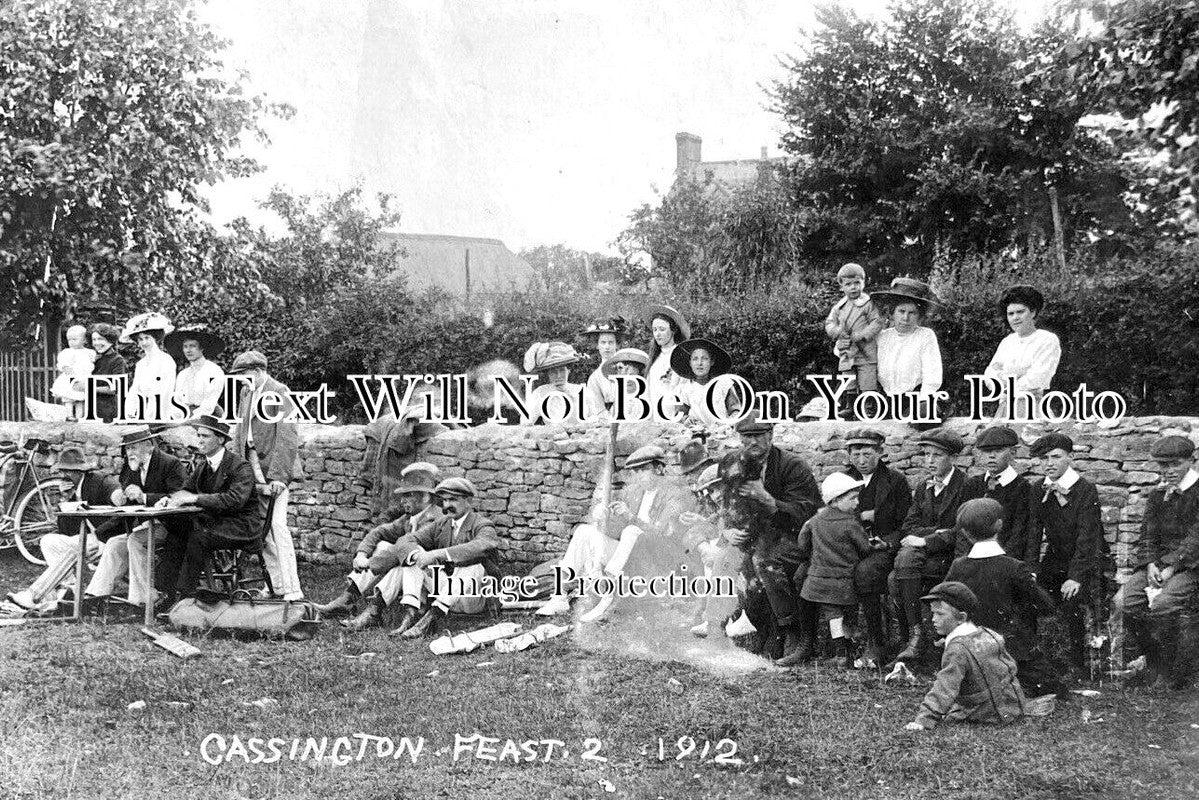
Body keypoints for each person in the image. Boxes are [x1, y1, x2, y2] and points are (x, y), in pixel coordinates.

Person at [534, 445, 691, 619]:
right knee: (584, 531)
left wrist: (630, 516)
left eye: (643, 470)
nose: (638, 476)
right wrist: (603, 519)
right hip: (627, 557)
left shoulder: (675, 495)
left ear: (659, 468)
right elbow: (617, 531)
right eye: (635, 471)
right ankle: (560, 597)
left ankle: (610, 593)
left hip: (656, 558)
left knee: (631, 530)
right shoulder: (633, 492)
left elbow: (661, 534)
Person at [730, 413, 822, 667]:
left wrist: (768, 500)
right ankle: (766, 632)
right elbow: (728, 505)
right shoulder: (738, 467)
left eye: (758, 435)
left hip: (798, 537)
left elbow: (805, 513)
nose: (752, 442)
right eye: (746, 436)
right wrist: (728, 530)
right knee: (734, 560)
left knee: (765, 560)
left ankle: (792, 633)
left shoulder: (792, 466)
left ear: (770, 435)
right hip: (760, 536)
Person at [944, 498, 1059, 698]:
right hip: (1010, 648)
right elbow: (1046, 606)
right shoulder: (1014, 567)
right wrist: (1030, 584)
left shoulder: (958, 566)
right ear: (999, 525)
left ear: (965, 533)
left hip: (969, 650)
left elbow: (945, 601)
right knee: (1049, 684)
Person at [315, 463, 444, 630]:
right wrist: (361, 554)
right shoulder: (411, 517)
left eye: (408, 495)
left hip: (436, 583)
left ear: (425, 497)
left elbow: (402, 550)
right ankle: (349, 599)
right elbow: (379, 532)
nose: (402, 501)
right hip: (414, 577)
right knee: (383, 545)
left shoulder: (435, 519)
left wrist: (369, 563)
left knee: (406, 559)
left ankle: (374, 611)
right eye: (402, 496)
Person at [1118, 435, 1199, 690]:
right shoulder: (1158, 495)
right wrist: (1151, 563)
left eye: (1176, 464)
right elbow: (1148, 534)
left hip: (1191, 565)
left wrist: (1172, 567)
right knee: (1124, 601)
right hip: (1159, 565)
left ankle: (1169, 669)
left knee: (1163, 604)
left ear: (1192, 460)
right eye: (1164, 465)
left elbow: (1196, 539)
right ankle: (1151, 659)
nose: (1169, 471)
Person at [890, 427, 976, 663]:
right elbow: (909, 526)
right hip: (925, 555)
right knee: (895, 575)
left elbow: (963, 530)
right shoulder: (923, 486)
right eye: (926, 455)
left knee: (901, 567)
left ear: (953, 458)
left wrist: (928, 539)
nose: (929, 461)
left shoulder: (966, 486)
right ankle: (913, 638)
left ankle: (915, 639)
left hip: (951, 555)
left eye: (937, 455)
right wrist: (934, 532)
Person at [2, 448, 121, 615]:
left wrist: (101, 533)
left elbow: (120, 504)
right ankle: (69, 588)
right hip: (88, 538)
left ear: (80, 471)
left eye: (69, 471)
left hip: (108, 538)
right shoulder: (73, 490)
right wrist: (66, 498)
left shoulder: (99, 481)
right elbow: (66, 531)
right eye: (63, 471)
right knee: (48, 541)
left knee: (75, 549)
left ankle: (34, 595)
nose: (64, 475)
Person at [1026, 433, 1107, 677]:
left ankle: (1077, 664)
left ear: (1070, 457)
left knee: (1073, 601)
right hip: (1055, 559)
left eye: (1056, 457)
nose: (1049, 463)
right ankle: (1031, 660)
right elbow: (1034, 532)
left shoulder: (1085, 490)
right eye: (1044, 459)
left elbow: (1088, 538)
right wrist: (1031, 569)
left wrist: (1075, 577)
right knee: (1027, 595)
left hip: (1087, 561)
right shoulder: (1038, 488)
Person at [228, 350, 304, 601]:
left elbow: (287, 436)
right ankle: (276, 585)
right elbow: (240, 431)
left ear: (259, 371)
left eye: (244, 374)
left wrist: (279, 477)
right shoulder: (246, 393)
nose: (241, 380)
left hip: (273, 467)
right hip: (250, 464)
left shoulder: (280, 392)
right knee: (262, 528)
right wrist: (237, 468)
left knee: (278, 526)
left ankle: (293, 589)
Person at [85, 427, 189, 609]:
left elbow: (179, 497)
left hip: (172, 526)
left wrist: (145, 497)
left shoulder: (170, 464)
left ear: (149, 445)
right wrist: (120, 497)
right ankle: (96, 596)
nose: (129, 453)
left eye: (133, 447)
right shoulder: (131, 465)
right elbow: (125, 491)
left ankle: (144, 599)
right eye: (127, 448)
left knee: (135, 540)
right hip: (146, 525)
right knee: (115, 544)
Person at [160, 414, 260, 601]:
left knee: (198, 537)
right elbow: (186, 490)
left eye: (205, 436)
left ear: (220, 439)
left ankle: (186, 595)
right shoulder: (203, 466)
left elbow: (234, 500)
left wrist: (195, 498)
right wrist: (169, 499)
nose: (199, 440)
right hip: (215, 522)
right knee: (177, 532)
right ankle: (166, 592)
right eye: (198, 435)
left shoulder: (240, 466)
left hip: (241, 526)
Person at [903, 581, 1027, 731]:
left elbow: (945, 687)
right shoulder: (988, 633)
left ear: (961, 618)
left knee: (954, 711)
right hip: (1013, 705)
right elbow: (1009, 666)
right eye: (933, 613)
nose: (933, 619)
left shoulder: (957, 649)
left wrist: (924, 719)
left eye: (940, 614)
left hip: (989, 713)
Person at [391, 477, 502, 639]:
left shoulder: (483, 524)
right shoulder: (442, 523)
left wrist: (437, 554)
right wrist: (418, 556)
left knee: (474, 564)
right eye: (444, 500)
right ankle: (411, 616)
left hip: (474, 598)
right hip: (446, 593)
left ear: (468, 501)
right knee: (413, 555)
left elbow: (482, 546)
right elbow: (405, 540)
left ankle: (430, 619)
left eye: (453, 500)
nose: (447, 505)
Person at [796, 472, 887, 668]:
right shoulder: (850, 523)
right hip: (843, 580)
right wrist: (875, 546)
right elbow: (864, 548)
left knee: (833, 615)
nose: (857, 503)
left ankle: (840, 653)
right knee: (846, 616)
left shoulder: (814, 520)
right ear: (836, 500)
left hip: (818, 579)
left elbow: (802, 543)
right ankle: (847, 652)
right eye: (852, 498)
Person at [842, 427, 913, 667]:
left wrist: (888, 542)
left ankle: (876, 642)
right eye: (856, 455)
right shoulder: (843, 480)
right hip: (850, 546)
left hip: (883, 548)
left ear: (880, 452)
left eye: (867, 454)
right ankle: (841, 643)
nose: (861, 461)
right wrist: (861, 518)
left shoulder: (895, 481)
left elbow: (906, 523)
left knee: (865, 572)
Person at [984, 285, 1062, 418]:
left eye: (1020, 312)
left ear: (1033, 312)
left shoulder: (1047, 340)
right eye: (1011, 314)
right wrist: (1017, 375)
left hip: (1033, 409)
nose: (1015, 318)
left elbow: (1038, 377)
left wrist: (1006, 379)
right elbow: (990, 373)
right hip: (1005, 408)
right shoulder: (1007, 342)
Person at [963, 426, 1032, 560]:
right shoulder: (973, 485)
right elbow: (963, 528)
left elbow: (1019, 535)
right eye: (986, 451)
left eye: (998, 450)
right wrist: (966, 560)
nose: (992, 456)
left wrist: (1000, 562)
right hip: (972, 557)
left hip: (1006, 560)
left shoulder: (1023, 489)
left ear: (1013, 453)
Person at [872, 278, 944, 399]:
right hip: (884, 399)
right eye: (901, 311)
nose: (905, 318)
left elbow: (932, 375)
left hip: (915, 399)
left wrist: (923, 401)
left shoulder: (925, 336)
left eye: (912, 313)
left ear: (919, 316)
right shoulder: (882, 336)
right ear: (892, 313)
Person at [825, 263, 884, 393]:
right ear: (842, 287)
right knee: (848, 381)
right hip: (847, 350)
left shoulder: (868, 304)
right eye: (848, 284)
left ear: (863, 283)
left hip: (866, 351)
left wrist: (863, 334)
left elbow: (877, 321)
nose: (853, 287)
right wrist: (838, 331)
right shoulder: (839, 307)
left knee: (867, 382)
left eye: (857, 283)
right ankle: (850, 402)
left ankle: (867, 402)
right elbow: (829, 323)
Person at [671, 338, 743, 427]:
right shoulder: (685, 389)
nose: (699, 363)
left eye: (704, 359)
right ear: (690, 363)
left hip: (721, 431)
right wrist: (686, 420)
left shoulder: (723, 384)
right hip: (696, 431)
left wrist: (728, 423)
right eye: (695, 359)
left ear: (711, 361)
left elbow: (736, 410)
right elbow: (679, 416)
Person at [521, 342, 592, 425]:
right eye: (553, 372)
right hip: (553, 432)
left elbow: (595, 416)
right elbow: (526, 420)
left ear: (568, 371)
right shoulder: (540, 393)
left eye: (562, 370)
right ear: (548, 374)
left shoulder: (582, 391)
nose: (558, 376)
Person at [164, 324, 227, 417]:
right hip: (185, 416)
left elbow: (209, 403)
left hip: (208, 417)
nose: (188, 350)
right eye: (185, 347)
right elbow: (177, 402)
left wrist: (192, 419)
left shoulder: (214, 371)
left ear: (202, 348)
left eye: (192, 346)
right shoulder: (183, 374)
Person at [645, 304, 689, 417]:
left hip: (673, 415)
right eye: (655, 330)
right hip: (654, 415)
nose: (657, 334)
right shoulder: (654, 359)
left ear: (673, 330)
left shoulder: (681, 356)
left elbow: (684, 390)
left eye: (662, 329)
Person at [579, 317, 627, 414]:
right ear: (597, 345)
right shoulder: (595, 377)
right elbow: (597, 408)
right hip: (606, 419)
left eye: (611, 342)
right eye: (603, 342)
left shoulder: (626, 369)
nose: (607, 347)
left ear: (617, 344)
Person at [50, 324, 96, 419]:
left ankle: (80, 416)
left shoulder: (89, 352)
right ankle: (69, 415)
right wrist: (73, 378)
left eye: (74, 339)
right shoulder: (67, 352)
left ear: (84, 340)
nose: (71, 342)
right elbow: (65, 366)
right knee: (69, 398)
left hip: (84, 377)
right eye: (69, 340)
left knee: (80, 398)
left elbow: (93, 362)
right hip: (71, 377)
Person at [87, 323, 128, 423]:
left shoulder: (117, 360)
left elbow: (116, 388)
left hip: (108, 410)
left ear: (110, 340)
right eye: (94, 339)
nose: (96, 343)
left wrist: (89, 388)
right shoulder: (94, 359)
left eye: (100, 339)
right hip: (92, 408)